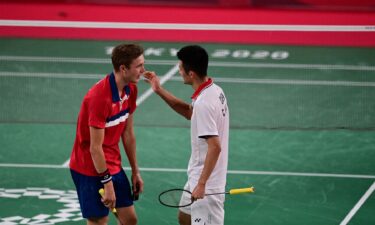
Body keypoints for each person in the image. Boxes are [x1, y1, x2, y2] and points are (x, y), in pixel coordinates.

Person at [144, 45, 229, 225]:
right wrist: (158, 90)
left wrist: (202, 184)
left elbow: (215, 146)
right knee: (184, 218)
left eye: (181, 68)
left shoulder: (204, 103)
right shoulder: (213, 90)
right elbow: (190, 113)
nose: (179, 71)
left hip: (207, 182)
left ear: (191, 74)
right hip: (196, 175)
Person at [69, 43, 145, 225]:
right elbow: (95, 148)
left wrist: (135, 171)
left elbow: (128, 134)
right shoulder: (99, 98)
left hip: (112, 162)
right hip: (88, 167)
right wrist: (107, 183)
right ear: (123, 68)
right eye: (139, 66)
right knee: (99, 221)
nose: (143, 70)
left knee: (129, 220)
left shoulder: (131, 89)